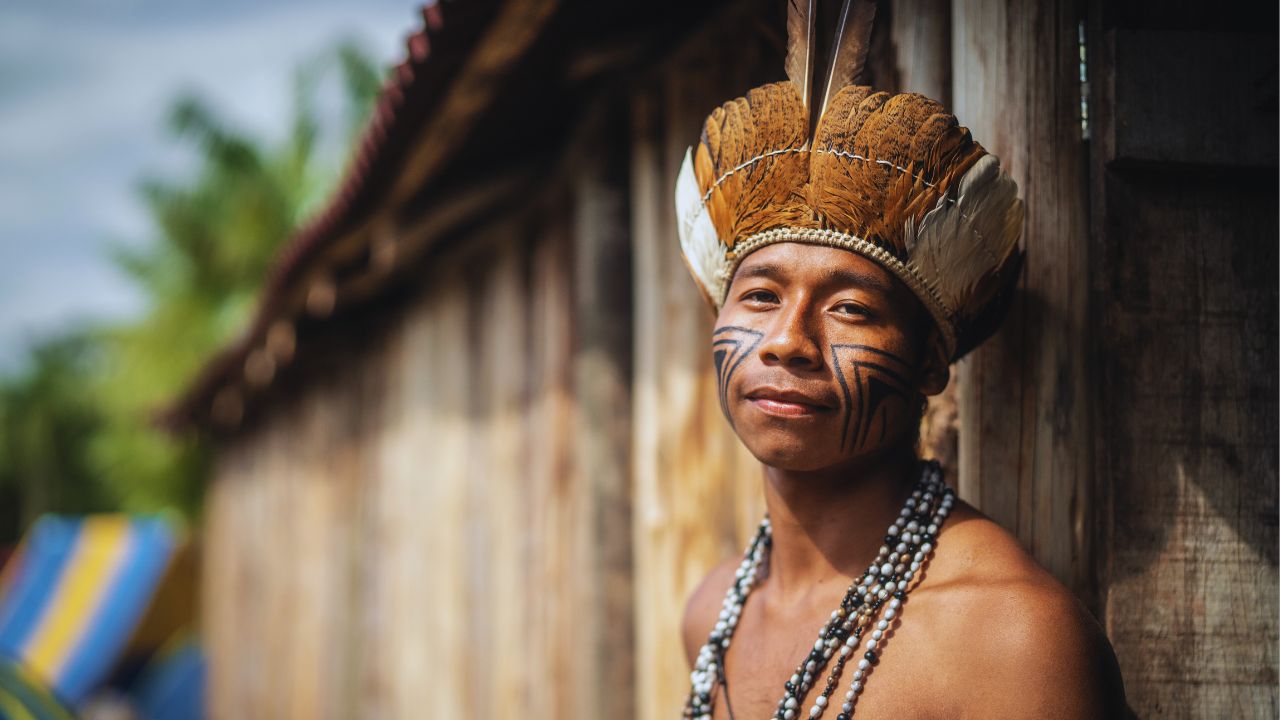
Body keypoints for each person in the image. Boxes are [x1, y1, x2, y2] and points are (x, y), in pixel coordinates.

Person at [672, 4, 1128, 719]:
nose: (788, 339)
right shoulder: (713, 614)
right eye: (760, 295)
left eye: (851, 307)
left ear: (927, 366)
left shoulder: (1011, 641)